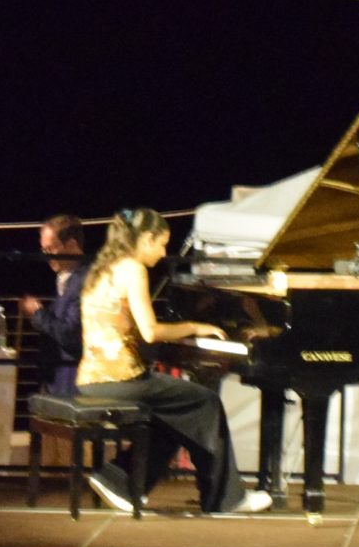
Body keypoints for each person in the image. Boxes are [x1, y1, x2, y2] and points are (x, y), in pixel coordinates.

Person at [77, 208, 272, 516]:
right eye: (161, 244)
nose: (162, 253)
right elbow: (150, 331)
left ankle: (121, 482)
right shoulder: (133, 269)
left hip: (91, 379)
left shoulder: (102, 268)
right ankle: (225, 499)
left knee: (176, 416)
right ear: (146, 238)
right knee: (206, 401)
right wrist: (194, 327)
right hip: (120, 379)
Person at [18, 214, 88, 396]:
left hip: (71, 385)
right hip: (56, 383)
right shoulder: (67, 279)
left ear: (71, 245)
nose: (46, 256)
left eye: (51, 248)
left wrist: (38, 313)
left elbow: (71, 334)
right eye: (44, 249)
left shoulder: (84, 280)